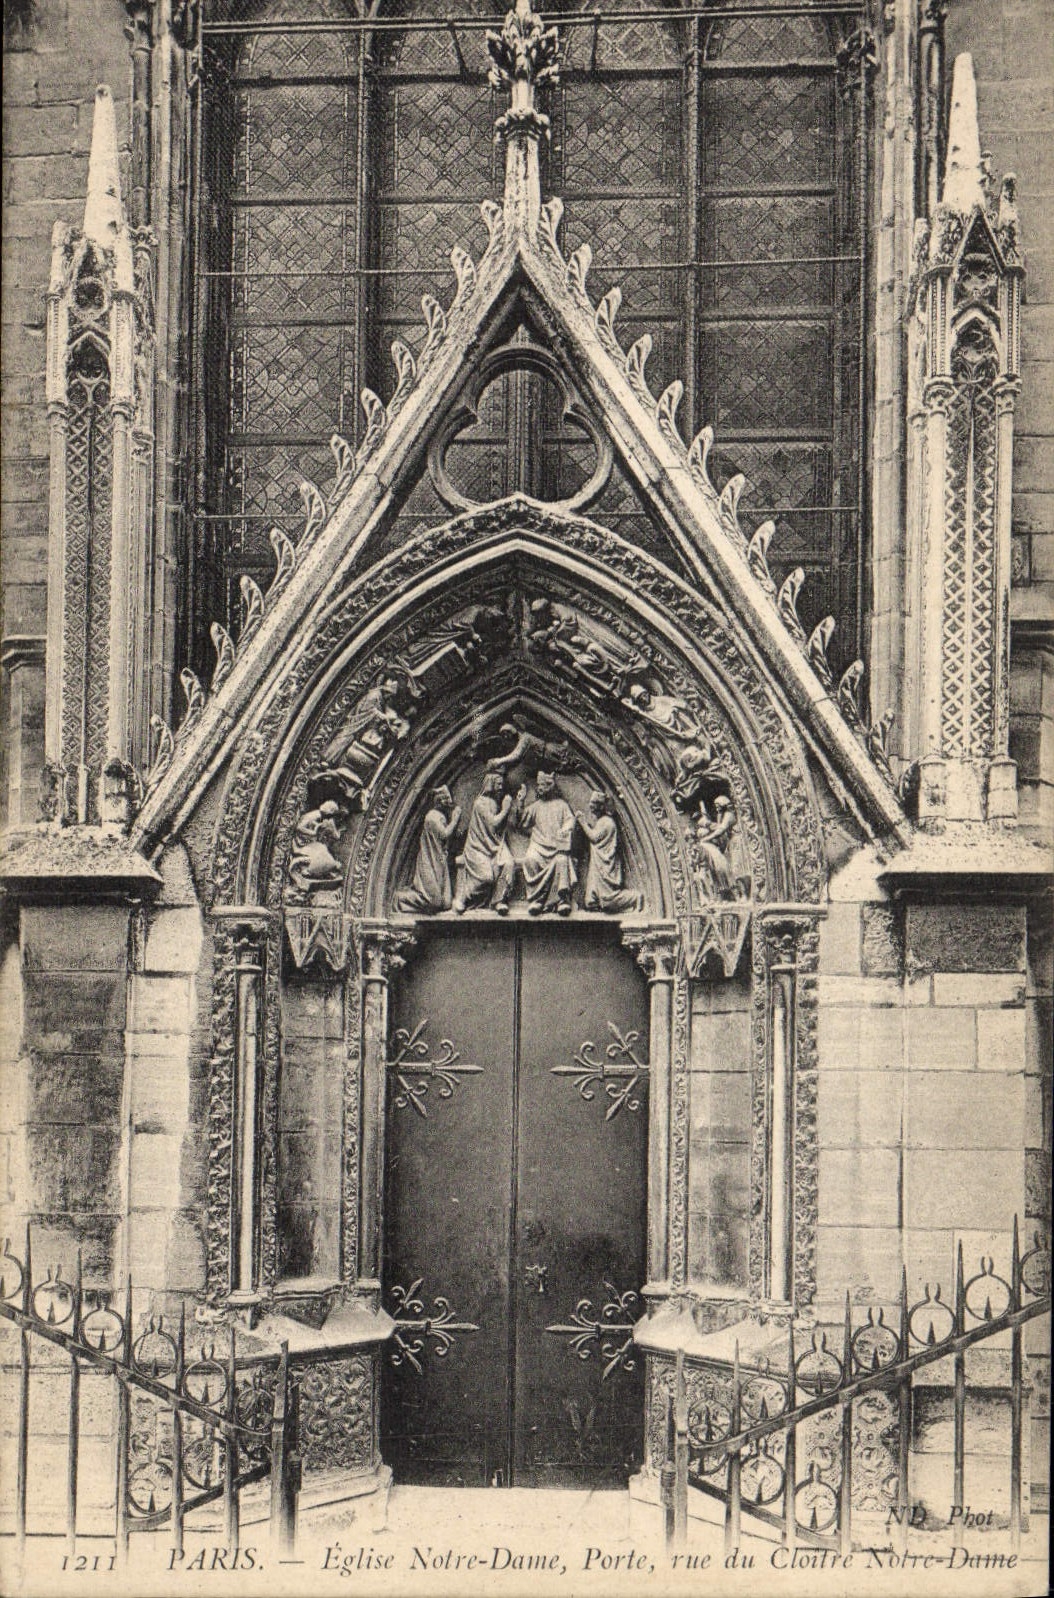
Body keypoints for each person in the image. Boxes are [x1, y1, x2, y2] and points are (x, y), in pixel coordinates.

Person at [452, 772, 516, 914]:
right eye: (498, 784)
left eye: (502, 784)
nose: (501, 787)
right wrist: (506, 808)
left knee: (509, 863)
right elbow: (493, 823)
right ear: (490, 784)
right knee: (487, 878)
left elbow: (500, 827)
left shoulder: (493, 802)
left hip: (495, 844)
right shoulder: (480, 803)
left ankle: (499, 900)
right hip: (478, 847)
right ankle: (462, 897)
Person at [517, 770, 577, 915]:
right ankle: (537, 900)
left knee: (562, 860)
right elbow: (522, 821)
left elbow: (570, 820)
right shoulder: (536, 806)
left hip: (556, 848)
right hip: (538, 847)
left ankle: (562, 900)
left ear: (551, 787)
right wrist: (520, 802)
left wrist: (565, 829)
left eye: (543, 785)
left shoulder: (561, 805)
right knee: (530, 859)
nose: (540, 788)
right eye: (539, 785)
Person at [395, 786, 461, 914]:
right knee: (433, 901)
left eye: (449, 797)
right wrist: (455, 819)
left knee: (446, 903)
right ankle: (399, 900)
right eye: (447, 798)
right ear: (439, 800)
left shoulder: (440, 815)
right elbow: (444, 834)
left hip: (439, 859)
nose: (450, 800)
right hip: (429, 860)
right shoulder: (432, 817)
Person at [577, 791, 643, 913]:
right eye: (590, 803)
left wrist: (582, 822)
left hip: (604, 867)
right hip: (598, 865)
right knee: (590, 901)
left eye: (593, 804)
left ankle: (634, 898)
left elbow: (594, 837)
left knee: (607, 900)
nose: (590, 806)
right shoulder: (602, 822)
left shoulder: (606, 822)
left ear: (601, 806)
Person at [288, 800, 344, 892]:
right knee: (321, 855)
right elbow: (299, 827)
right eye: (330, 815)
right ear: (328, 812)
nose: (330, 818)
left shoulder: (325, 818)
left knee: (323, 850)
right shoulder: (313, 816)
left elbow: (335, 835)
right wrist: (313, 832)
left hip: (312, 843)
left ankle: (322, 869)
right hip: (301, 844)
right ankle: (307, 870)